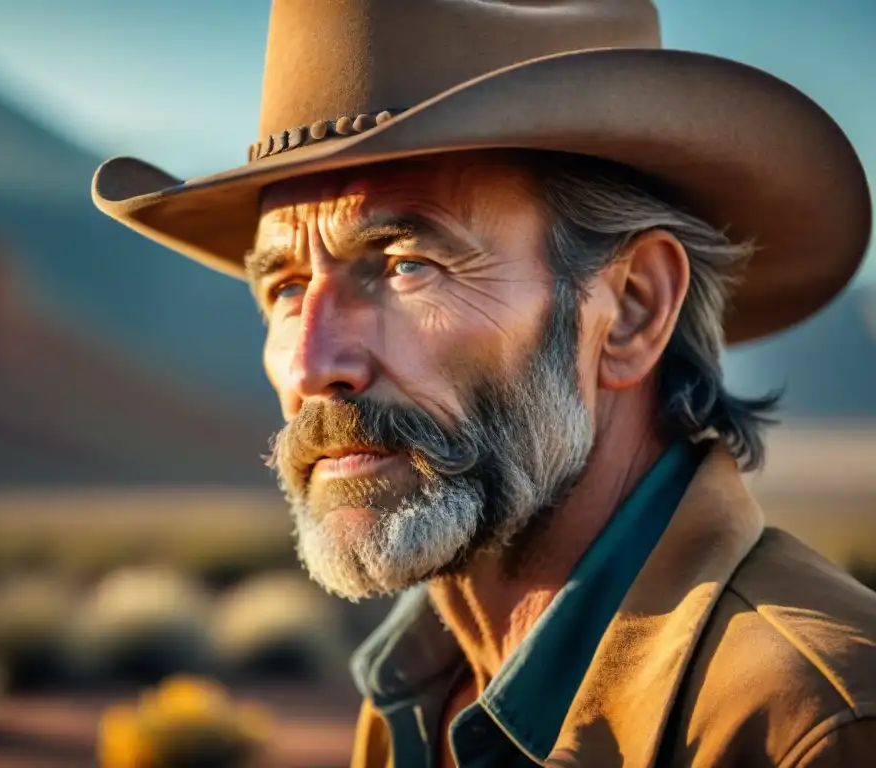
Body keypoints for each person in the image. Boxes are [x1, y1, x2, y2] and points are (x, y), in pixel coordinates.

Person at [92, 1, 876, 765]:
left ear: (632, 310)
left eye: (407, 266)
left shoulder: (810, 727)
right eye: (288, 287)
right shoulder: (421, 691)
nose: (311, 365)